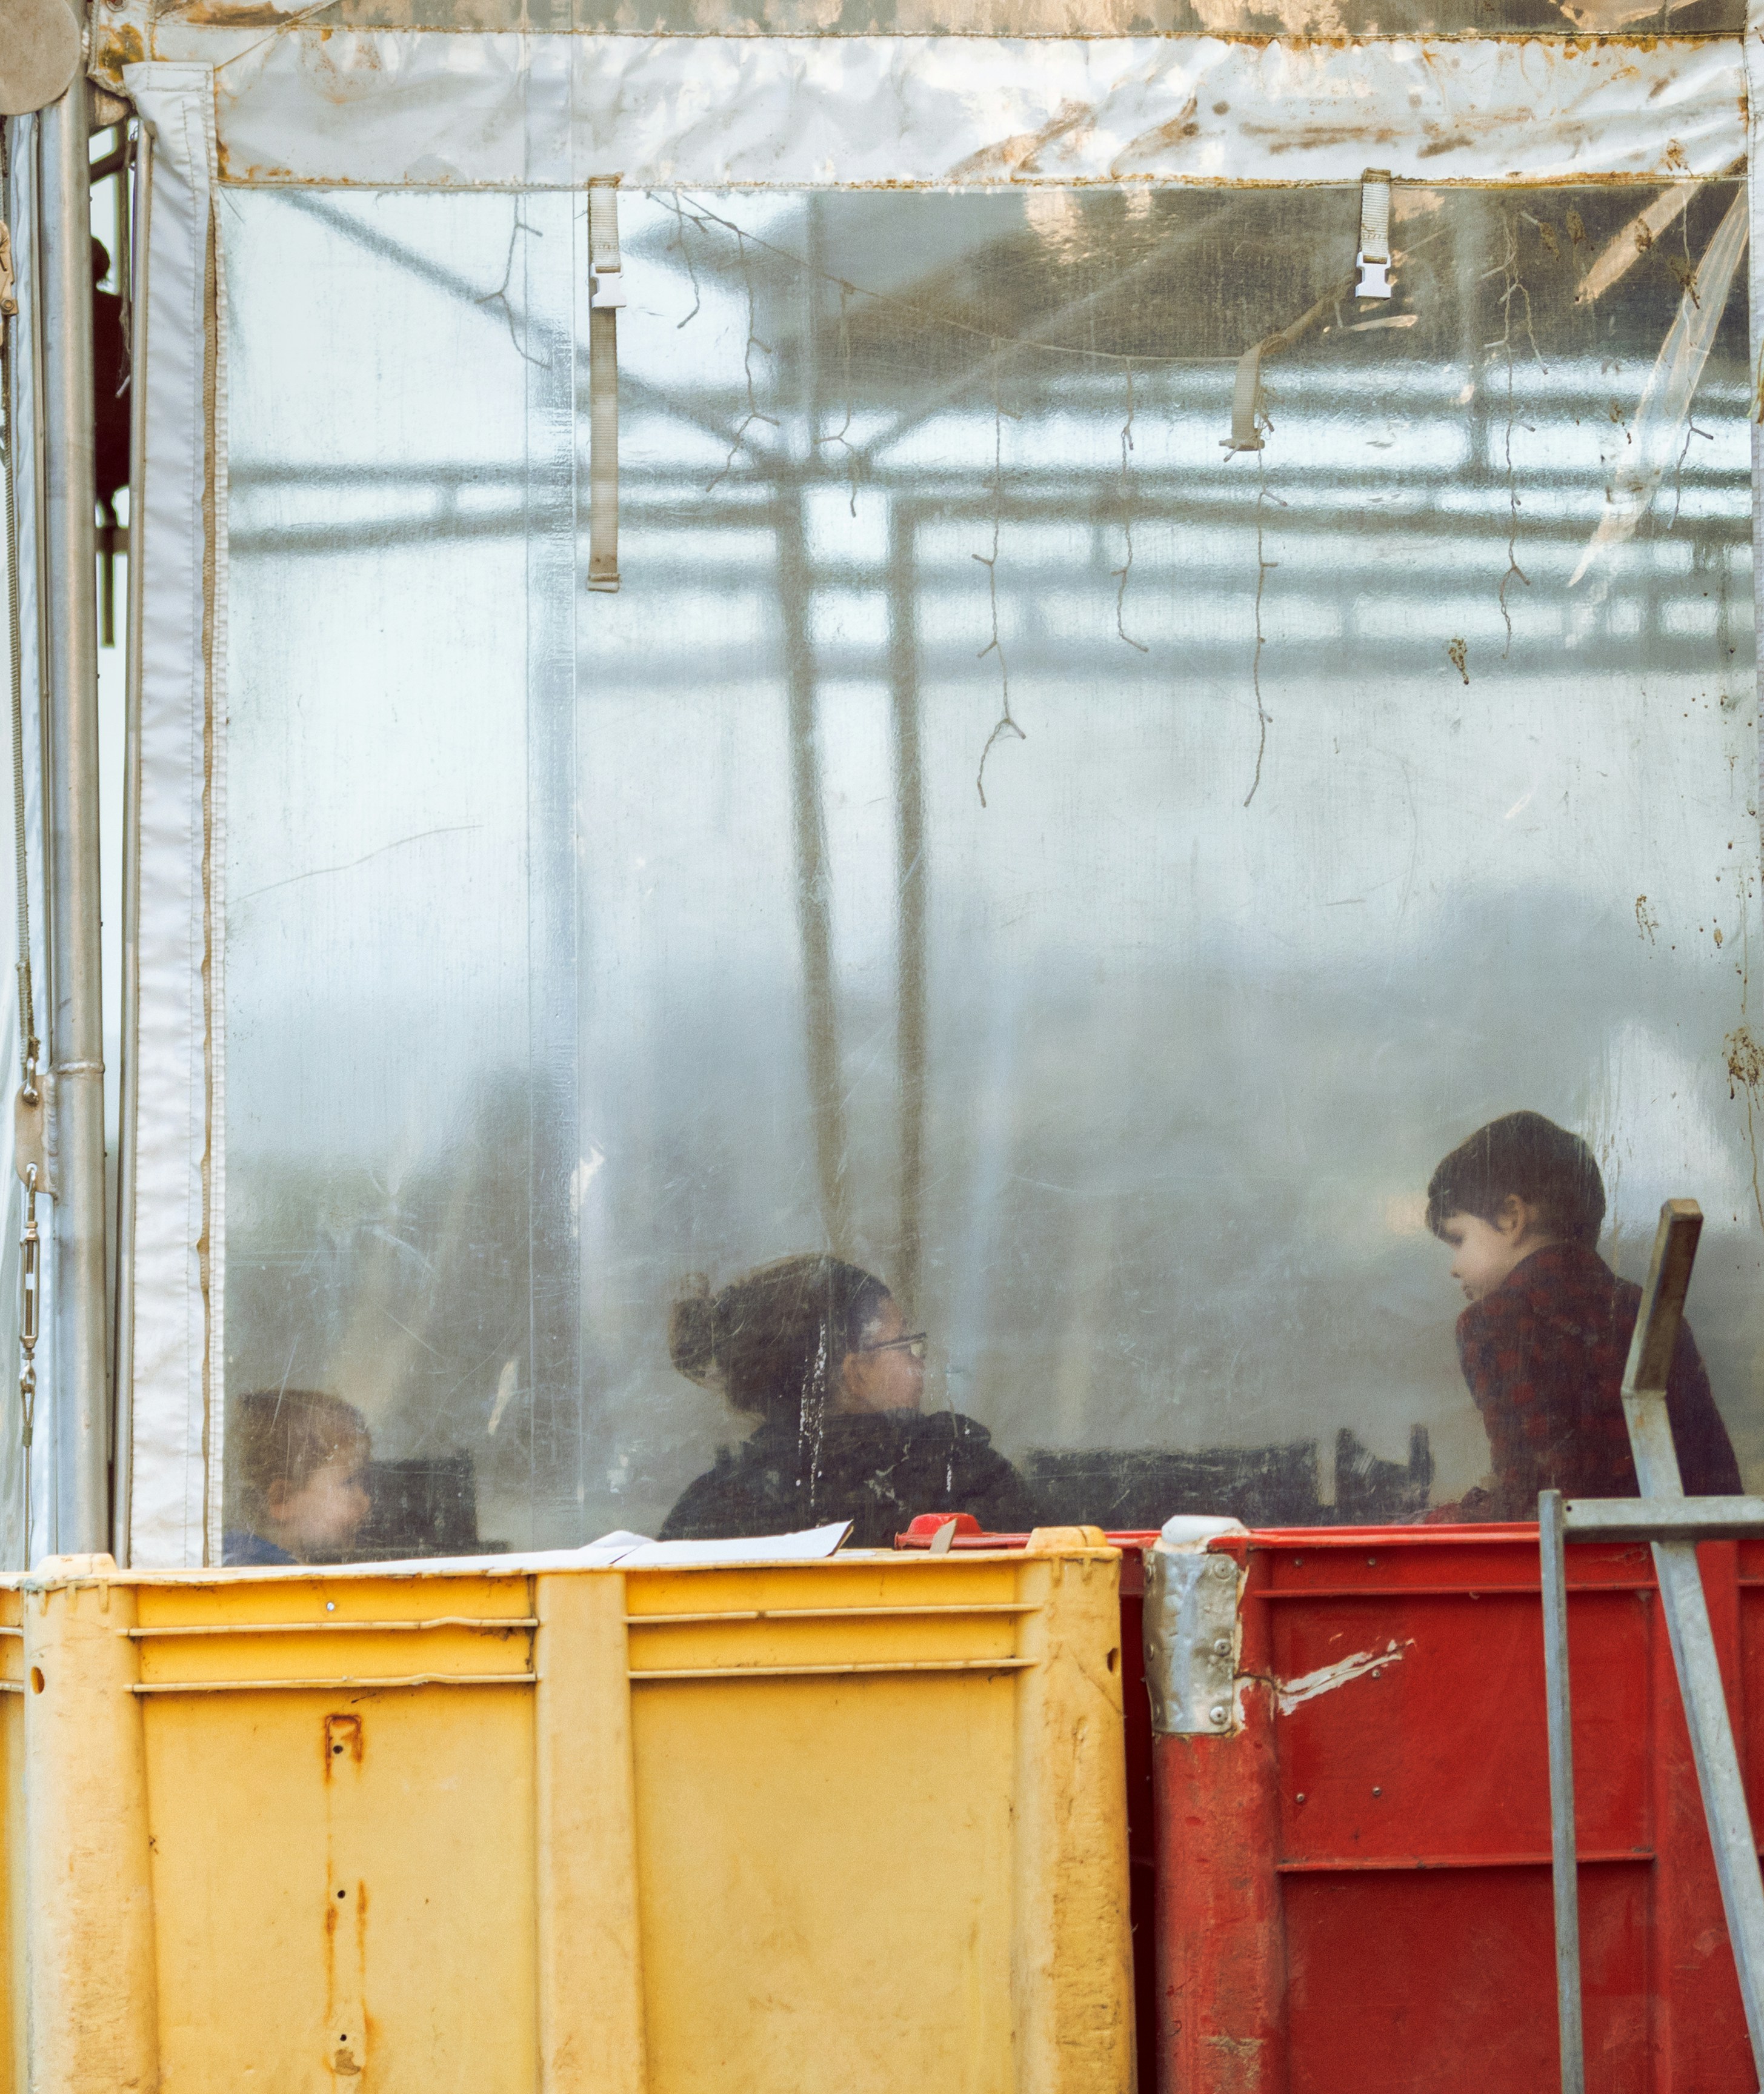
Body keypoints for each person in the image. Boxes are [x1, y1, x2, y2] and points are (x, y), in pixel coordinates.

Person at [1425, 1111, 1740, 1521]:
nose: (1454, 1266)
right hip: (1680, 1564)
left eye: (1457, 1239)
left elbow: (1533, 1498)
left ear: (1510, 1218)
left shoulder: (1493, 1322)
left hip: (1573, 1569)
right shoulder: (1647, 1311)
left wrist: (1433, 1519)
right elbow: (1718, 1486)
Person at [661, 1255, 1043, 1546]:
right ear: (856, 1373)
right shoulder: (954, 1473)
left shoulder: (709, 1510)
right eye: (905, 1344)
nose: (920, 1358)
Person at [222, 1389, 373, 1566]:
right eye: (348, 1483)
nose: (365, 1501)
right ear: (283, 1498)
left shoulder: (254, 1559)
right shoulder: (263, 1578)